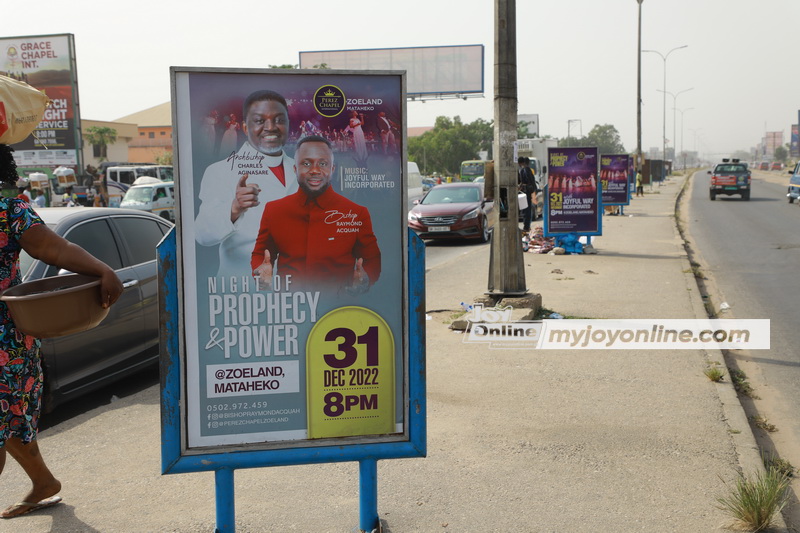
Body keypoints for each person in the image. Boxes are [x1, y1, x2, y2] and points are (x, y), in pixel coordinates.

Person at [0, 144, 123, 519]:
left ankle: (43, 482)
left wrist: (102, 269)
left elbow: (52, 247)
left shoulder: (9, 209)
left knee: (7, 417)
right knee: (9, 419)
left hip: (4, 342)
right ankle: (44, 482)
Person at [251, 136, 381, 293]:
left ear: (332, 169)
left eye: (323, 164)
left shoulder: (357, 213)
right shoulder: (274, 210)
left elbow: (372, 259)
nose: (314, 170)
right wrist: (260, 273)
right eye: (306, 164)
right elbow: (261, 254)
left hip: (338, 304)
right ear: (295, 169)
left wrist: (365, 279)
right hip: (289, 303)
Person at [195, 90, 298, 278]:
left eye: (279, 120)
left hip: (299, 286)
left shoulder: (302, 170)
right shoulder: (220, 171)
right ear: (244, 127)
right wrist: (234, 208)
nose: (270, 127)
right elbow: (202, 235)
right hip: (244, 287)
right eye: (259, 121)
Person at [517, 156, 537, 232]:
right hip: (528, 192)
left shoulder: (523, 170)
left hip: (526, 193)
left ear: (520, 163)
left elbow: (524, 182)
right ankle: (527, 226)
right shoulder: (528, 170)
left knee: (526, 210)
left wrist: (521, 186)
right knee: (527, 209)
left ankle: (526, 226)